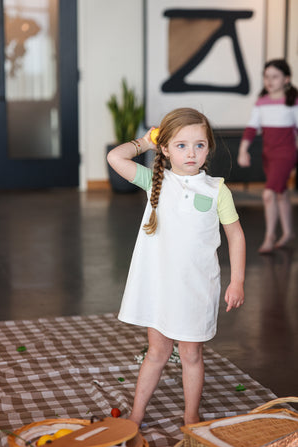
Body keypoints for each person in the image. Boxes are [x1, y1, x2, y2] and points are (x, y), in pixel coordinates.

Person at [107, 107, 246, 426]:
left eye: (199, 144)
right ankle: (136, 415)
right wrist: (144, 142)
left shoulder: (216, 190)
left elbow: (235, 236)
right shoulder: (155, 182)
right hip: (159, 288)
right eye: (181, 145)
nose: (192, 152)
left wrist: (236, 281)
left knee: (191, 354)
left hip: (196, 288)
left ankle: (191, 415)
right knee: (156, 352)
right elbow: (116, 158)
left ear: (209, 147)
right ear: (166, 149)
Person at [237, 59, 298, 253]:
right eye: (266, 76)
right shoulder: (261, 103)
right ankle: (288, 232)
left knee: (268, 194)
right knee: (280, 193)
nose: (269, 81)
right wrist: (242, 150)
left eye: (275, 77)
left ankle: (270, 236)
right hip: (268, 155)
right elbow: (251, 128)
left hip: (286, 154)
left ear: (286, 79)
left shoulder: (292, 102)